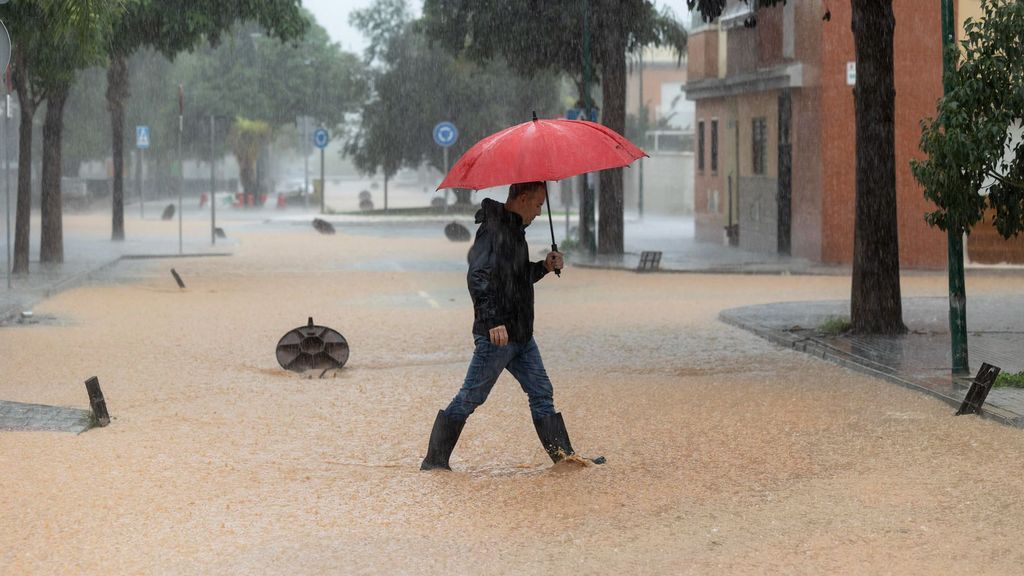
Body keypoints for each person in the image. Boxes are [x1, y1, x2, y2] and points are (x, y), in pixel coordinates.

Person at [420, 181, 603, 471]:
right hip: (498, 337)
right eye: (538, 204)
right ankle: (434, 463)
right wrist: (493, 321)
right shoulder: (493, 231)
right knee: (470, 397)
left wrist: (543, 267)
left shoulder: (516, 231)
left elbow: (515, 280)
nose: (540, 212)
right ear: (523, 198)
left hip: (521, 335)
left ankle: (565, 459)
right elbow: (477, 277)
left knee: (542, 392)